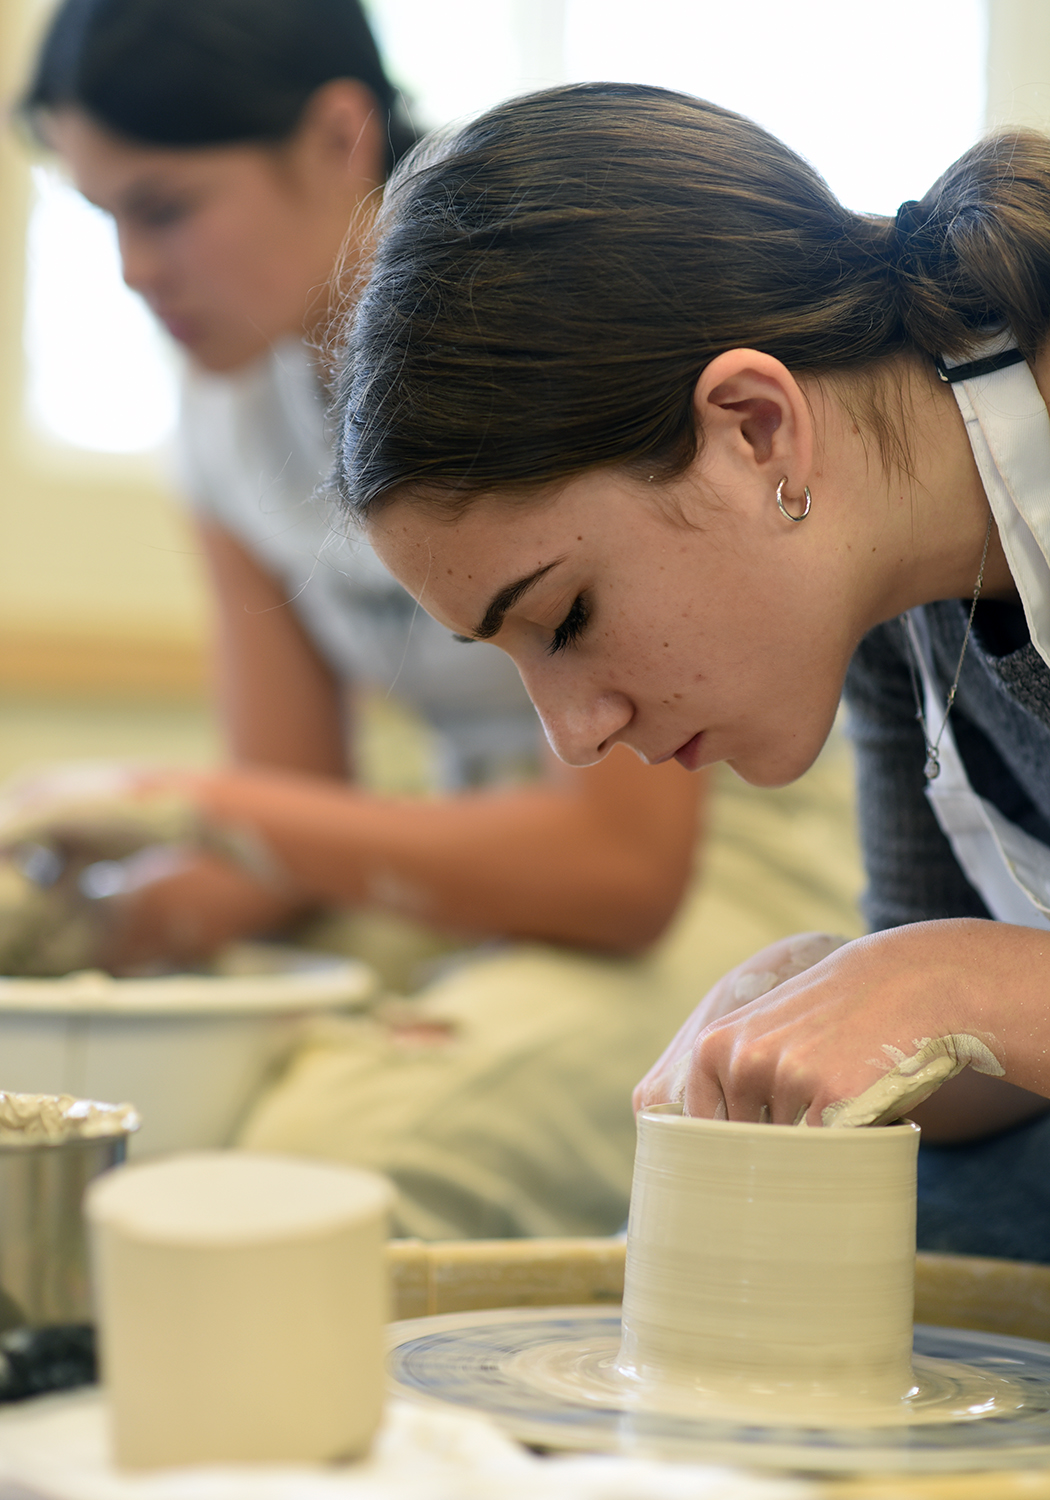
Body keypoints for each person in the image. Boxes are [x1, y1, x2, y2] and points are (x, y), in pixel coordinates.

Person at [14, 16, 863, 1236]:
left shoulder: (524, 314)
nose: (134, 272)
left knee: (320, 1161)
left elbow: (620, 875)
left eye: (164, 209)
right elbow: (286, 819)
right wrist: (98, 904)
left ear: (338, 135)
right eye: (102, 219)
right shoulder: (226, 408)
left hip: (716, 853)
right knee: (145, 1088)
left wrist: (188, 802)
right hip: (482, 861)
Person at [333, 81, 1050, 1260]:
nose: (572, 736)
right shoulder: (876, 603)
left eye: (565, 617)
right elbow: (1004, 1075)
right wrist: (845, 1002)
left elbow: (991, 992)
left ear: (755, 428)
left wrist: (963, 981)